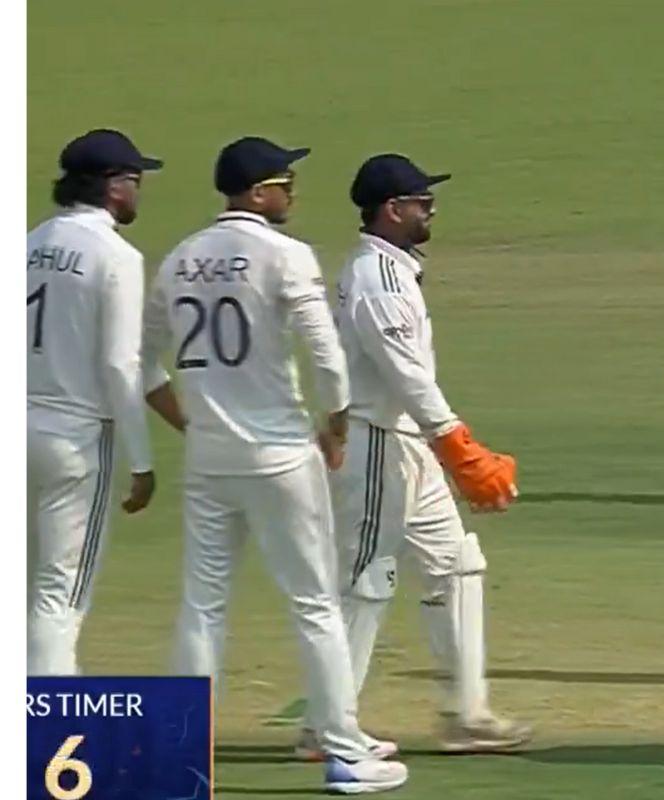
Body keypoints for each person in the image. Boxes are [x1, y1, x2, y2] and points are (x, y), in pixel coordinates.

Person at [141, 136, 408, 794]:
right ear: (258, 193)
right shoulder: (285, 255)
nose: (292, 193)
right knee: (315, 605)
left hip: (211, 459)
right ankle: (344, 754)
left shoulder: (179, 259)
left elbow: (140, 366)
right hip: (281, 453)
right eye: (284, 183)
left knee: (202, 606)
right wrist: (337, 423)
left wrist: (193, 424)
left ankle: (177, 755)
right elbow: (323, 351)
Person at [294, 153, 530, 759]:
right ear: (392, 210)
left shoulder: (394, 269)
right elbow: (405, 375)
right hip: (377, 441)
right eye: (422, 201)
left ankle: (466, 715)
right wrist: (459, 446)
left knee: (456, 565)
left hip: (405, 442)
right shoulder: (378, 278)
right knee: (366, 580)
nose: (431, 209)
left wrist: (444, 446)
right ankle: (326, 725)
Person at [27, 129, 165, 675]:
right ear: (112, 186)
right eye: (134, 180)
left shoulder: (25, 244)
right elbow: (119, 364)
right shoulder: (116, 255)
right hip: (75, 438)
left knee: (22, 590)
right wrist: (143, 460)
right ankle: (49, 731)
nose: (138, 192)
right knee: (61, 596)